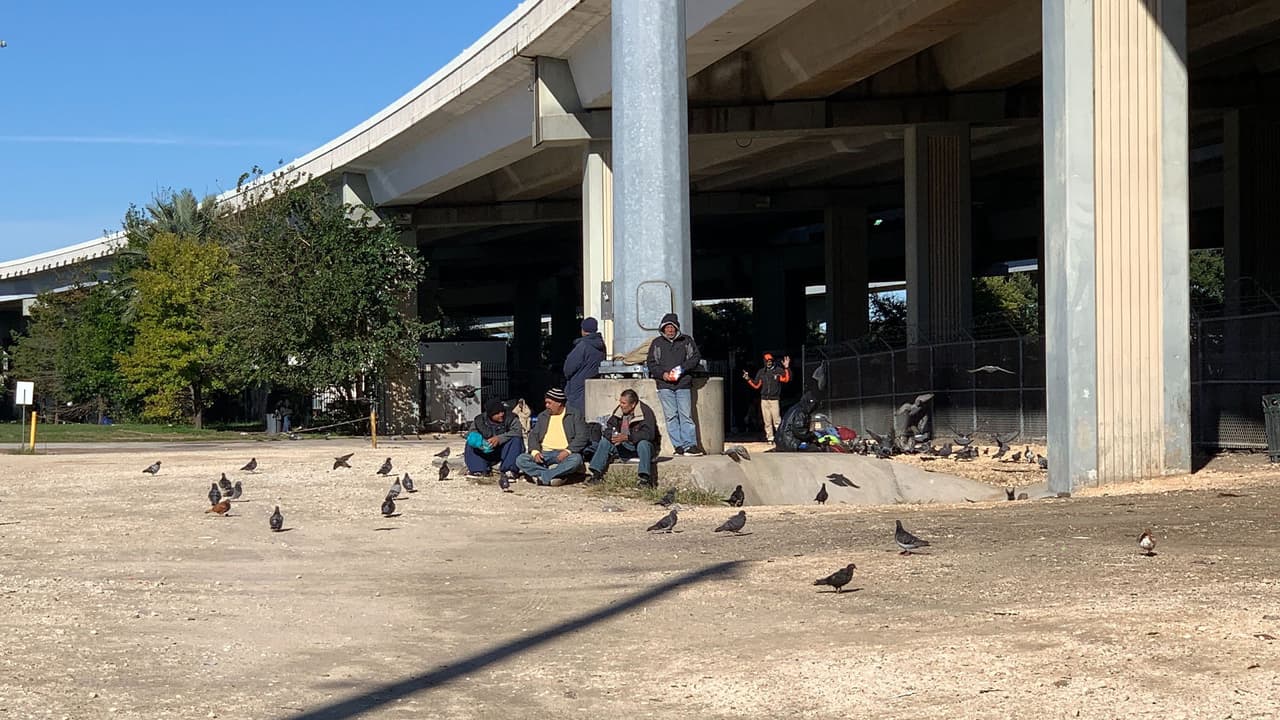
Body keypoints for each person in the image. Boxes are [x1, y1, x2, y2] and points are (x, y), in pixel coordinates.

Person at [645, 313, 703, 455]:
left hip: (683, 384)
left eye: (672, 327)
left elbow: (695, 357)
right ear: (663, 329)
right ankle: (678, 446)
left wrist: (681, 369)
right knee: (671, 417)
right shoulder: (657, 343)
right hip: (664, 386)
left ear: (677, 328)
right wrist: (663, 374)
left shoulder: (686, 341)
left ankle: (690, 445)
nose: (670, 330)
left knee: (686, 415)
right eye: (667, 327)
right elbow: (651, 363)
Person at [516, 388, 589, 486]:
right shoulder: (543, 416)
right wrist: (535, 452)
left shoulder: (574, 415)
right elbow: (533, 436)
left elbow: (582, 436)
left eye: (549, 403)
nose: (546, 406)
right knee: (521, 459)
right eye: (546, 403)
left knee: (576, 460)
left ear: (559, 403)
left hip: (564, 454)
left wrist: (568, 451)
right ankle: (555, 475)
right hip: (544, 454)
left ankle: (543, 476)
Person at [588, 388, 659, 487]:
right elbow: (608, 427)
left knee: (644, 444)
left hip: (641, 448)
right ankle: (596, 474)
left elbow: (649, 434)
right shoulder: (619, 411)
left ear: (633, 404)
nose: (621, 405)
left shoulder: (645, 412)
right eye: (620, 402)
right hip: (624, 446)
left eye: (624, 403)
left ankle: (644, 479)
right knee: (605, 442)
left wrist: (628, 437)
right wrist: (613, 435)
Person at [464, 399, 525, 480]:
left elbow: (517, 432)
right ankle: (478, 470)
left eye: (502, 411)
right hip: (485, 451)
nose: (501, 414)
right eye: (497, 413)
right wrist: (479, 442)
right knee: (470, 442)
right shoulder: (479, 420)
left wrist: (499, 439)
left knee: (516, 440)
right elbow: (471, 433)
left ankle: (509, 470)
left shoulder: (511, 418)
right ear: (490, 414)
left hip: (505, 451)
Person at [742, 353, 791, 443]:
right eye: (767, 361)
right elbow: (756, 385)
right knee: (767, 421)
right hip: (764, 400)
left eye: (770, 361)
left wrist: (787, 368)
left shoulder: (778, 371)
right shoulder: (761, 372)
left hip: (774, 399)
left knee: (777, 420)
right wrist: (748, 379)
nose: (769, 363)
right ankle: (770, 438)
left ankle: (780, 437)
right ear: (764, 362)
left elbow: (786, 379)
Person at [562, 317, 606, 414]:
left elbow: (568, 369)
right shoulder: (601, 346)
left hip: (577, 391)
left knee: (574, 421)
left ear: (583, 330)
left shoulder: (583, 346)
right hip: (592, 390)